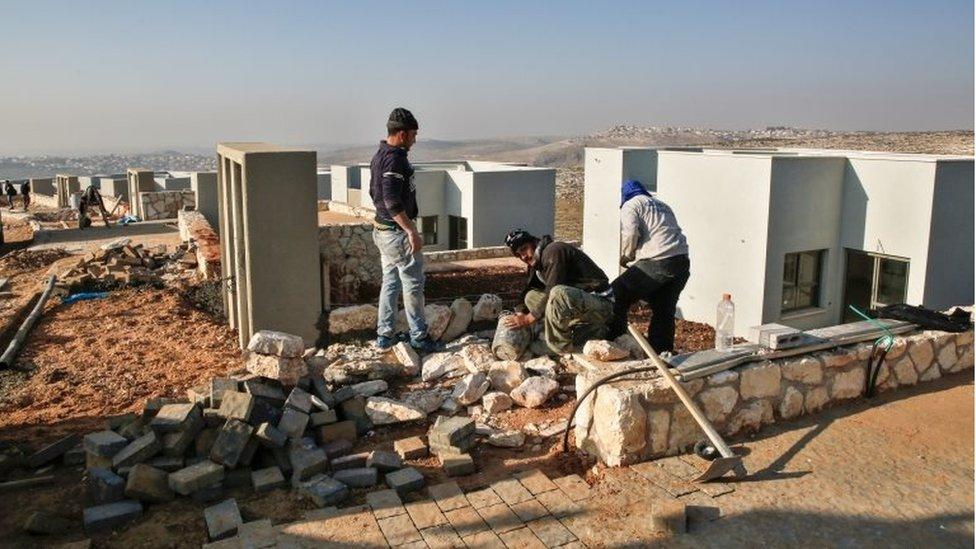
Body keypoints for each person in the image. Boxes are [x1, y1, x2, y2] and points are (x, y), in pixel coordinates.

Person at [369, 107, 442, 352]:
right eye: (413, 134)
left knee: (390, 282)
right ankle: (419, 337)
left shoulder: (379, 154)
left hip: (382, 231)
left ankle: (385, 335)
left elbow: (374, 193)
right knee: (413, 283)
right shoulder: (395, 159)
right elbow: (391, 200)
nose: (414, 140)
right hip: (396, 234)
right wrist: (410, 230)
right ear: (401, 134)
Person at [608, 179, 690, 354]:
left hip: (659, 261)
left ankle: (616, 344)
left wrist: (627, 255)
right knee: (664, 309)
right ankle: (661, 353)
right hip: (681, 263)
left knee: (616, 294)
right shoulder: (662, 205)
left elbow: (630, 232)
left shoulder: (631, 205)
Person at [503, 229, 613, 355]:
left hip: (601, 306)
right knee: (531, 296)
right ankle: (564, 330)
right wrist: (519, 312)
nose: (524, 257)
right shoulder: (537, 262)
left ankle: (560, 346)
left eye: (524, 249)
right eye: (518, 255)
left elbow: (552, 290)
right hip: (578, 305)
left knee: (557, 293)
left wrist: (527, 319)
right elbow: (528, 289)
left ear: (534, 242)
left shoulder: (554, 251)